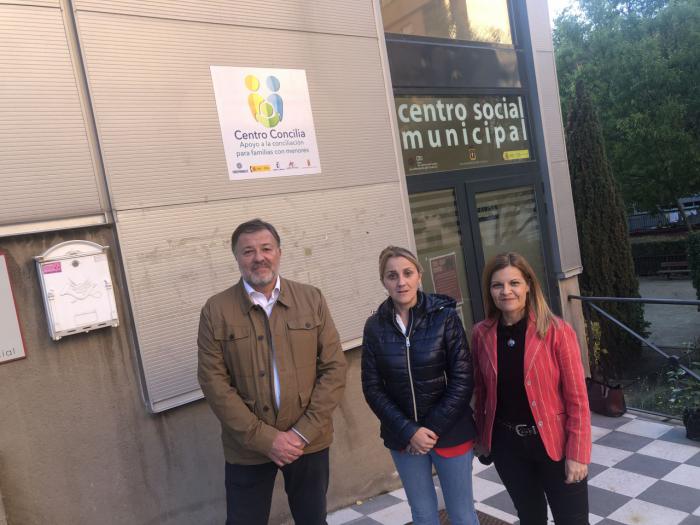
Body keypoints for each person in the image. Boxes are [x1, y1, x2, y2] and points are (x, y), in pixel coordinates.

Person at [197, 218, 347, 525]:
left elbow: (334, 367)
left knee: (313, 520)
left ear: (279, 252)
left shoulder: (311, 298)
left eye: (266, 248)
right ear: (237, 258)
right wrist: (266, 439)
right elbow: (213, 382)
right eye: (248, 251)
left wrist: (302, 432)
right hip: (247, 446)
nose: (258, 257)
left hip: (309, 439)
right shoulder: (216, 310)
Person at [362, 246, 479, 525]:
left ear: (419, 276)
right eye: (392, 275)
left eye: (407, 273)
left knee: (462, 514)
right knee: (423, 514)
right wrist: (409, 431)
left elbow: (463, 378)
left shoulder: (445, 317)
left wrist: (432, 428)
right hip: (403, 437)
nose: (401, 282)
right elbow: (372, 387)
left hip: (449, 431)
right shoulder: (375, 327)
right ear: (383, 281)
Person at [471, 252, 591, 525]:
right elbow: (481, 391)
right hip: (508, 446)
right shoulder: (481, 333)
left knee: (572, 520)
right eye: (497, 285)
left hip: (555, 444)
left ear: (528, 285)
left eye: (514, 283)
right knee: (530, 517)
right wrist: (481, 436)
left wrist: (578, 453)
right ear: (489, 291)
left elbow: (578, 401)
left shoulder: (557, 331)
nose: (506, 291)